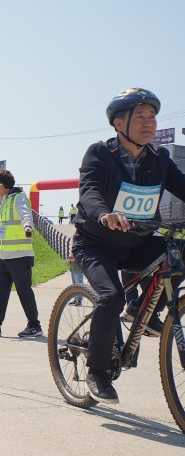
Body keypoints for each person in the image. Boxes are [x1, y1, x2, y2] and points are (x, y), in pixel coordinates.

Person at [72, 87, 185, 404]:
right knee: (111, 297)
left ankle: (145, 311)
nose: (149, 123)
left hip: (137, 243)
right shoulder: (100, 154)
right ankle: (97, 372)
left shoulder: (159, 159)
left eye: (152, 117)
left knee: (178, 255)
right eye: (140, 117)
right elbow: (89, 192)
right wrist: (105, 214)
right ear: (118, 123)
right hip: (96, 244)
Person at [0, 169, 42, 338]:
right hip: (5, 256)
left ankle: (34, 325)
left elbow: (26, 215)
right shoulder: (0, 203)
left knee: (23, 291)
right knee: (0, 291)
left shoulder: (18, 198)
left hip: (20, 255)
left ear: (1, 185)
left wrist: (27, 227)